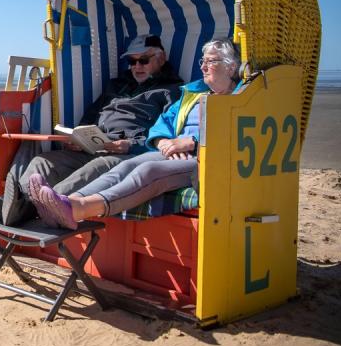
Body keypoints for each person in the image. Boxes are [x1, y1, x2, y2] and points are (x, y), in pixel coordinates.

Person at [0, 34, 183, 226]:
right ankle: (19, 207)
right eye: (132, 62)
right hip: (94, 144)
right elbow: (91, 114)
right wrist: (78, 136)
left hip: (124, 152)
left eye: (143, 60)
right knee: (42, 162)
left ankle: (27, 208)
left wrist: (131, 145)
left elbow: (167, 132)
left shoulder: (171, 91)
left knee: (94, 169)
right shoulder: (117, 85)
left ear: (160, 58)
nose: (136, 67)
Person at [30, 38, 241, 230]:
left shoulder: (243, 98)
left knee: (148, 169)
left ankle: (80, 209)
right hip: (173, 152)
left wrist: (192, 142)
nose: (203, 66)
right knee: (127, 165)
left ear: (230, 66)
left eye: (210, 61)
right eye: (202, 61)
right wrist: (163, 140)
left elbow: (238, 134)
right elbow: (163, 122)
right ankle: (67, 203)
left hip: (205, 159)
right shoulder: (194, 95)